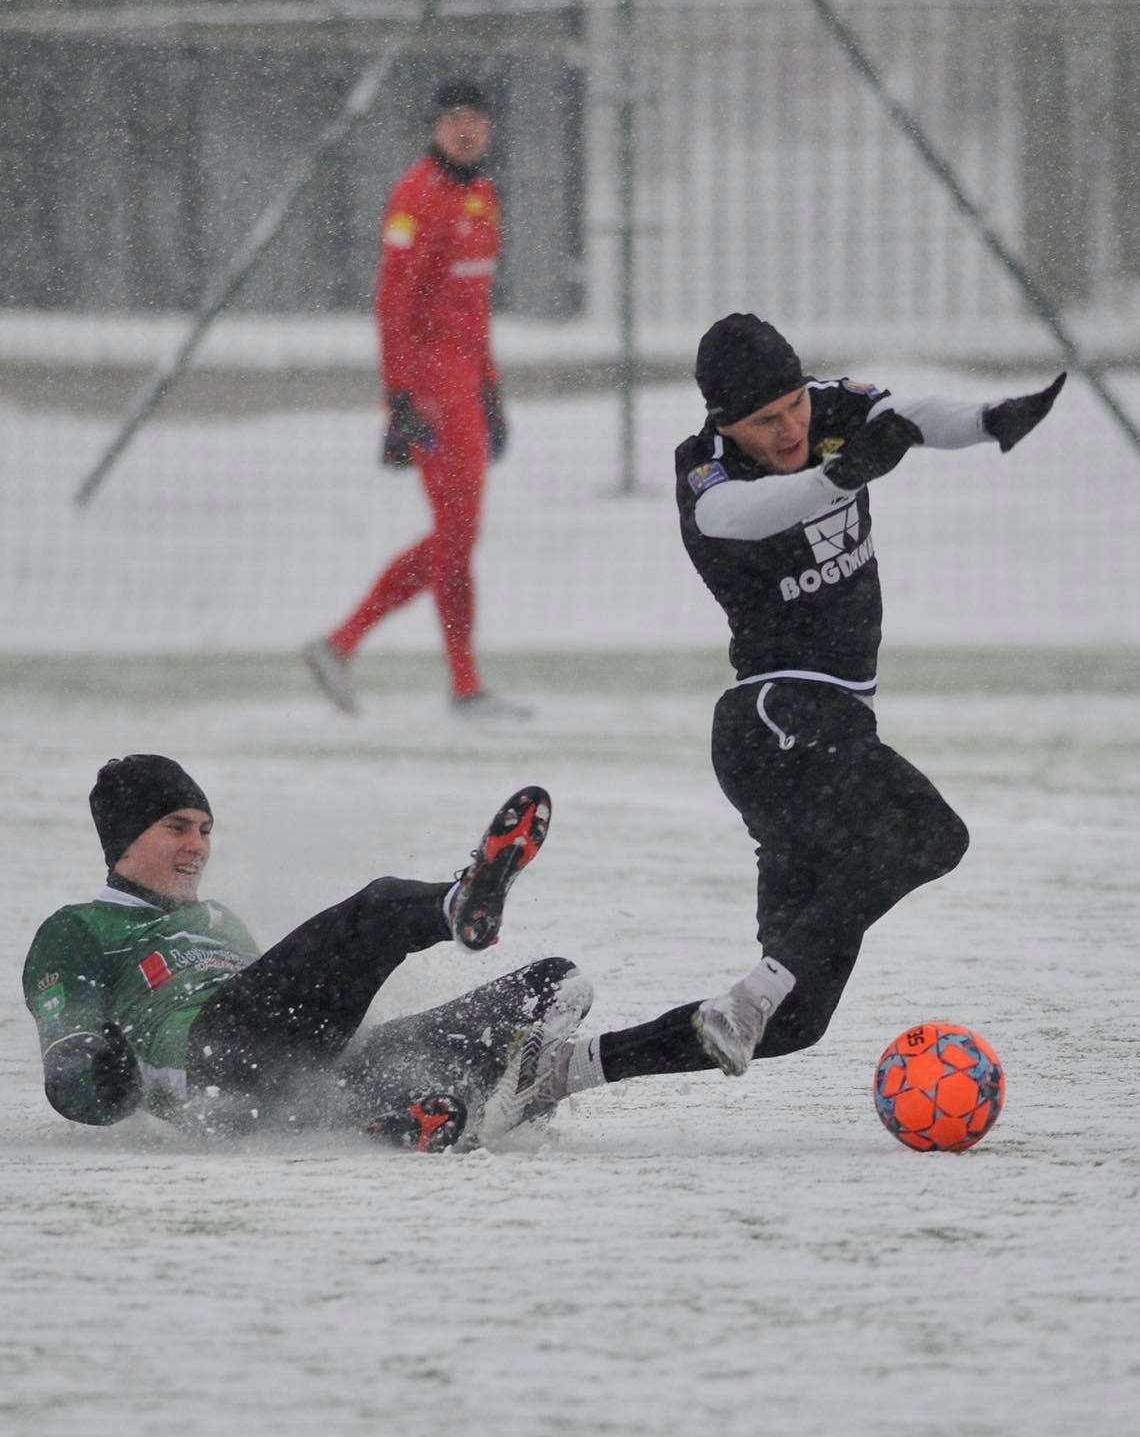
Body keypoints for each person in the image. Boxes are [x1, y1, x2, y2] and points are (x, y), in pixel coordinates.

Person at [538, 312, 1065, 1105]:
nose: (790, 428)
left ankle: (561, 1071)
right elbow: (736, 517)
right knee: (932, 835)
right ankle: (754, 992)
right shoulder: (705, 470)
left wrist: (992, 422)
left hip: (819, 737)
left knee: (794, 1019)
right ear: (725, 422)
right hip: (776, 718)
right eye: (765, 420)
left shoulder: (831, 409)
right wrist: (837, 477)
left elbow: (910, 418)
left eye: (794, 407)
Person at [22, 754, 591, 1152]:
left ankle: (394, 1121)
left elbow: (293, 1003)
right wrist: (104, 1086)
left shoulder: (219, 920)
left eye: (205, 829)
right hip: (207, 1067)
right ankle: (456, 905)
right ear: (125, 837)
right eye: (177, 827)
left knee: (543, 985)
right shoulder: (80, 927)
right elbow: (68, 1065)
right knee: (377, 907)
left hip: (280, 1079)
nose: (197, 845)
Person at [304, 79, 523, 719]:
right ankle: (349, 646)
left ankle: (452, 682)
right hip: (430, 387)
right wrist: (398, 394)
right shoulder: (416, 198)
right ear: (434, 127)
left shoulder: (483, 196)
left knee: (457, 537)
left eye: (477, 119)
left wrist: (492, 388)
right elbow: (392, 304)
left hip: (465, 385)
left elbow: (474, 309)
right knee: (457, 536)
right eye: (454, 117)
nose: (466, 129)